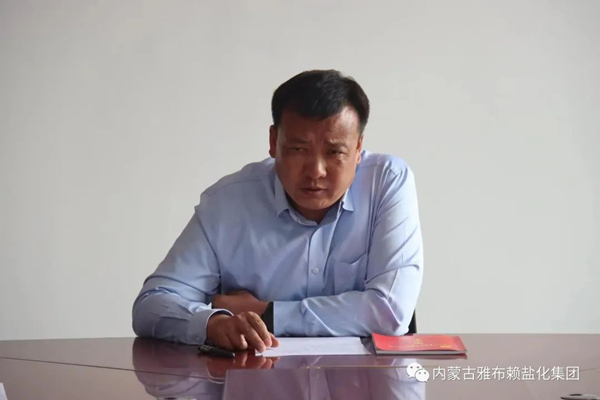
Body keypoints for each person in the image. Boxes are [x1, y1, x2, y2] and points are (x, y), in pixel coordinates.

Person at [132, 69, 424, 353]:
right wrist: (213, 323)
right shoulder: (228, 203)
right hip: (260, 376)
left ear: (358, 148)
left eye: (334, 152)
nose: (316, 171)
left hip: (366, 379)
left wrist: (268, 313)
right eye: (299, 149)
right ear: (274, 142)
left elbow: (390, 312)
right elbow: (151, 304)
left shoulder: (386, 182)